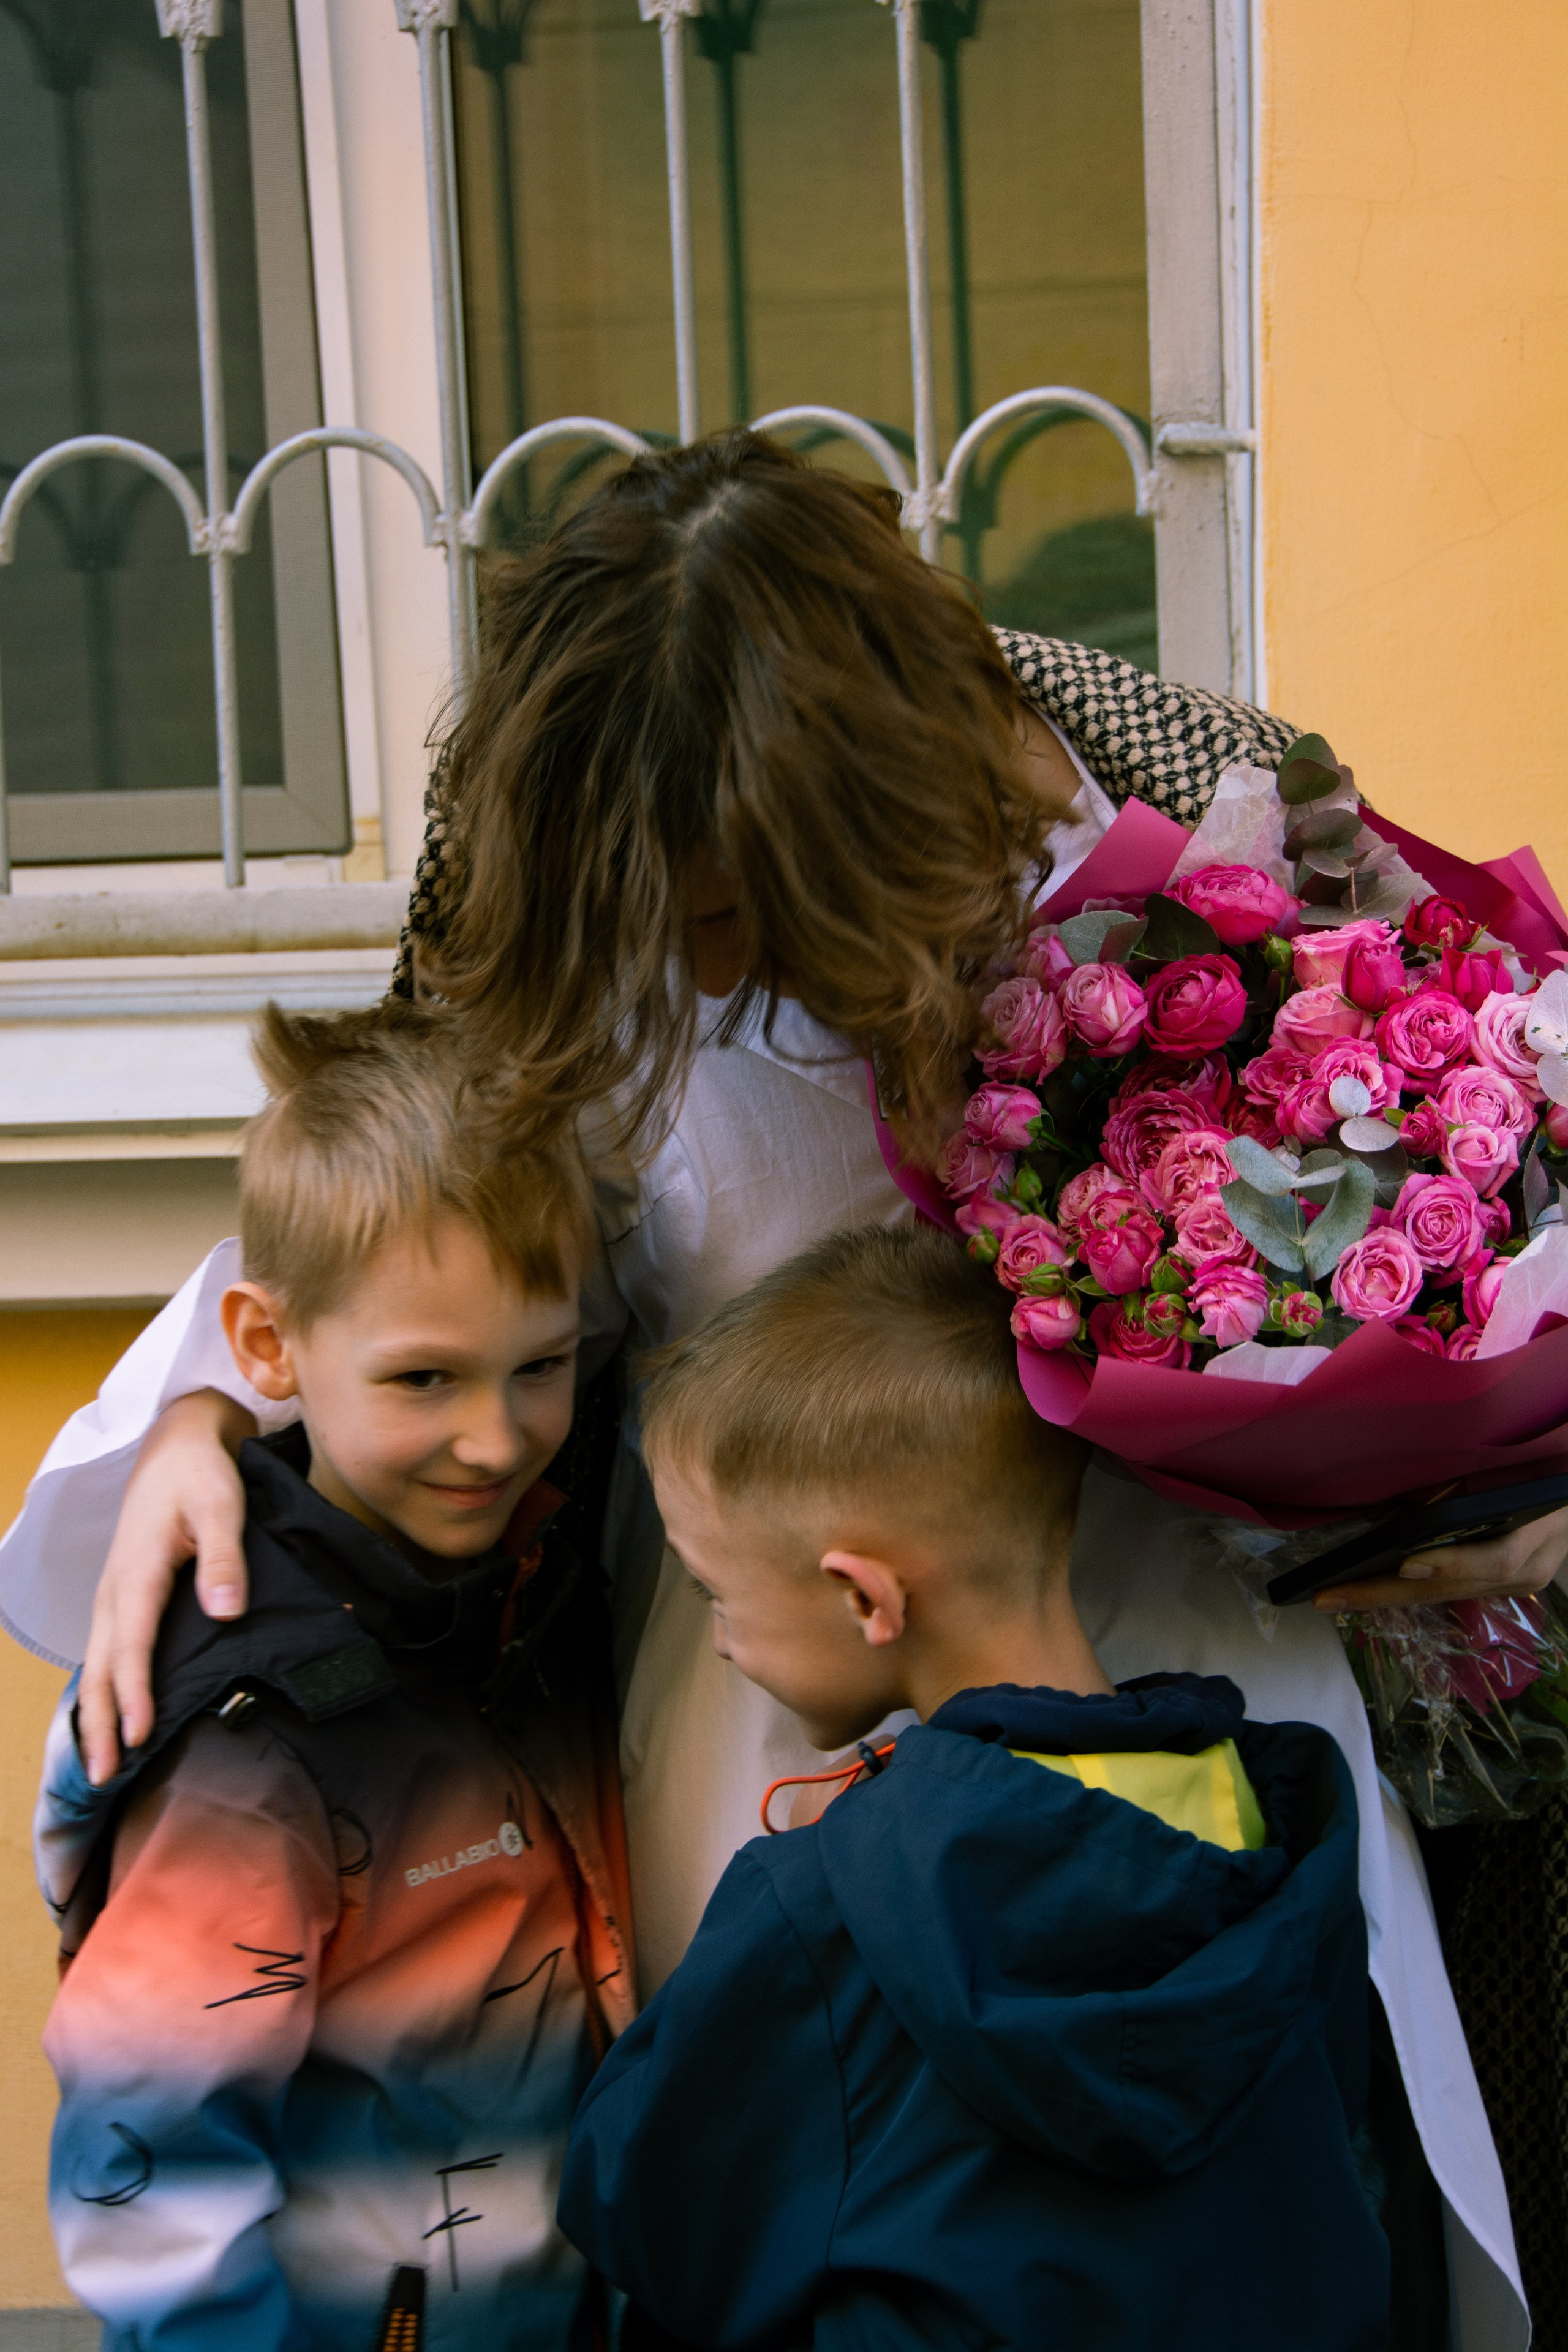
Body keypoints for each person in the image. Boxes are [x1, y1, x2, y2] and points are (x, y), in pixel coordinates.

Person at [0, 432, 1544, 2344]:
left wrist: (1474, 1473)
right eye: (668, 906)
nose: (694, 948)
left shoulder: (1179, 808)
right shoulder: (575, 921)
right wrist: (202, 1418)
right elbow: (408, 1220)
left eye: (734, 907)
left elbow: (1457, 1185)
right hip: (782, 1725)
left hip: (1182, 1718)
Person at [560, 1224, 1389, 2352]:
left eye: (715, 1591)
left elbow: (648, 2205)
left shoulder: (824, 1903)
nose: (719, 1640)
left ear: (864, 1599)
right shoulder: (1276, 1827)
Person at [34, 1005, 632, 2352]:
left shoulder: (519, 1582)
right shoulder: (252, 1744)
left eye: (540, 1366)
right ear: (265, 1349)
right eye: (425, 1378)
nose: (496, 1439)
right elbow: (154, 2159)